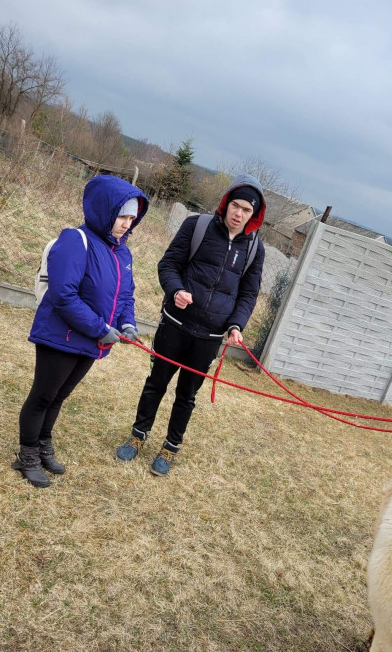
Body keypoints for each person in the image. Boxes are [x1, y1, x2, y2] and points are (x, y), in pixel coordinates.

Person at [116, 173, 266, 476]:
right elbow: (168, 264)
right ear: (225, 204)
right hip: (175, 324)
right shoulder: (196, 226)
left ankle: (170, 447)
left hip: (209, 337)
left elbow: (248, 294)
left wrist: (236, 325)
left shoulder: (254, 249)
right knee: (155, 384)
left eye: (246, 210)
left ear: (254, 214)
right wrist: (176, 290)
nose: (239, 214)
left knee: (187, 394)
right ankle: (138, 435)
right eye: (235, 205)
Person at [13, 174, 149, 488]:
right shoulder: (75, 240)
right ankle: (27, 456)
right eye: (122, 215)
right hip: (61, 337)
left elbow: (125, 295)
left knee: (60, 395)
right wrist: (101, 328)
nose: (126, 224)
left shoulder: (122, 252)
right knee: (43, 396)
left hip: (92, 341)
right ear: (104, 210)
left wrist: (127, 323)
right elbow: (63, 295)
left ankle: (43, 445)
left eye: (132, 217)